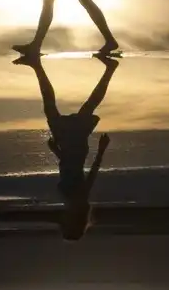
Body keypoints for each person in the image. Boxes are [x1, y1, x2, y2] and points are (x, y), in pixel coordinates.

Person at [17, 53, 118, 240]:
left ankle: (36, 65)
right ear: (74, 223)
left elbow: (67, 168)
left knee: (56, 108)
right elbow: (91, 173)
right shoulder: (79, 200)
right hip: (75, 147)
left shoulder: (70, 202)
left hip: (67, 148)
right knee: (78, 107)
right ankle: (110, 68)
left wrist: (56, 151)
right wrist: (102, 148)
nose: (63, 221)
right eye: (67, 225)